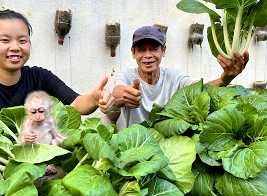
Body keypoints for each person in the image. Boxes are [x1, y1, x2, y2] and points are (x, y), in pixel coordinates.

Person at [0, 9, 107, 115]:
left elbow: (75, 104)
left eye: (22, 40)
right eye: (5, 40)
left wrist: (93, 99)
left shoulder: (40, 78)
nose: (15, 47)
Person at [98, 25, 249, 128]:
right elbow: (119, 90)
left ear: (163, 51)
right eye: (141, 50)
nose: (148, 55)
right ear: (133, 53)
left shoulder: (174, 77)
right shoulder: (126, 76)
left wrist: (225, 79)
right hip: (132, 147)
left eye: (154, 49)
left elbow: (200, 89)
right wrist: (120, 97)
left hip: (166, 146)